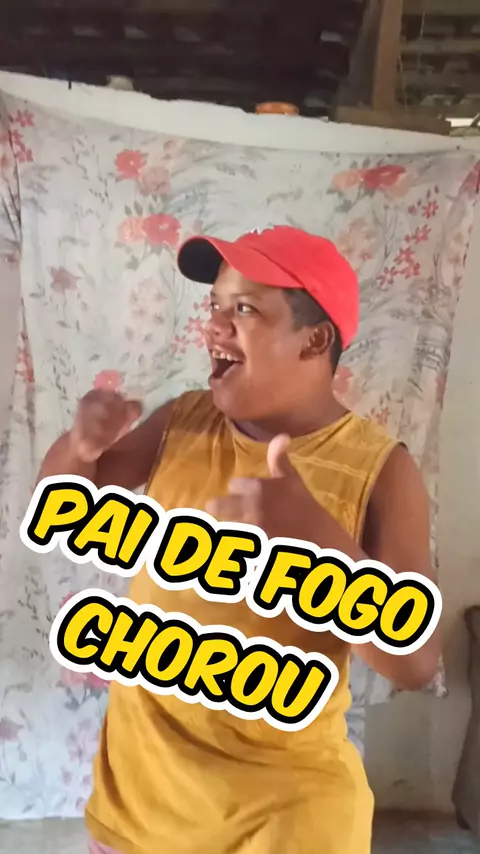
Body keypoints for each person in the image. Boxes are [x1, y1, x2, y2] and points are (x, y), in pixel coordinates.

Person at [38, 226, 440, 854]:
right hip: (140, 806)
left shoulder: (382, 470)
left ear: (315, 340)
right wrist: (80, 447)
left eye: (245, 309)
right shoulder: (183, 418)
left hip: (286, 821)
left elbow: (416, 665)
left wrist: (322, 546)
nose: (215, 326)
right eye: (215, 305)